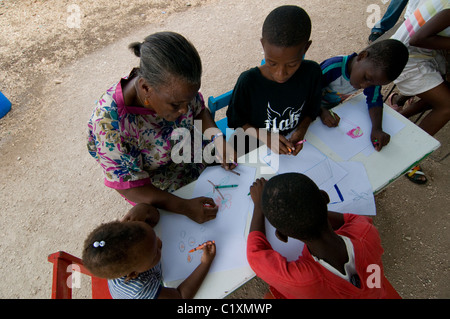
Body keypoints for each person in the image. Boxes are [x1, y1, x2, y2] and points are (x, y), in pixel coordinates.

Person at [87, 31, 236, 224]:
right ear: (145, 88)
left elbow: (199, 111)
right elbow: (130, 186)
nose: (184, 110)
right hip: (161, 191)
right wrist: (185, 207)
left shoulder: (173, 88)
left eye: (187, 101)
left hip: (193, 160)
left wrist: (218, 139)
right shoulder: (110, 124)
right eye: (176, 105)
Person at [246, 174, 401, 299]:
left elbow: (255, 254)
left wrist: (258, 206)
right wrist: (311, 207)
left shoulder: (302, 280)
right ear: (325, 197)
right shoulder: (366, 233)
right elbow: (353, 219)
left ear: (282, 235)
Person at [226, 5, 322, 156]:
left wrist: (302, 130)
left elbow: (312, 109)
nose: (281, 74)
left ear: (306, 48)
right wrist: (266, 137)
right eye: (272, 63)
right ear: (263, 45)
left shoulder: (312, 73)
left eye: (292, 65)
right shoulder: (249, 82)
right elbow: (236, 122)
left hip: (288, 146)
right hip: (249, 148)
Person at [82, 203, 216, 299]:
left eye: (154, 236)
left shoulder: (129, 237)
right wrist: (205, 263)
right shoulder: (140, 289)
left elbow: (155, 216)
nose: (160, 243)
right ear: (134, 273)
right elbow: (180, 296)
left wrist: (142, 208)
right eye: (155, 253)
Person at [388, 0, 450, 184]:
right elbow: (417, 38)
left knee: (444, 92)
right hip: (405, 58)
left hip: (420, 55)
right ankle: (407, 157)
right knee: (447, 106)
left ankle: (397, 122)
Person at [319, 39, 409, 151]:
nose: (366, 86)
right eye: (366, 78)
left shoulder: (373, 76)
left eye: (374, 84)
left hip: (330, 110)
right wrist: (321, 110)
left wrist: (377, 128)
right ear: (361, 57)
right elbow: (305, 92)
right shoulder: (333, 67)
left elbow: (374, 99)